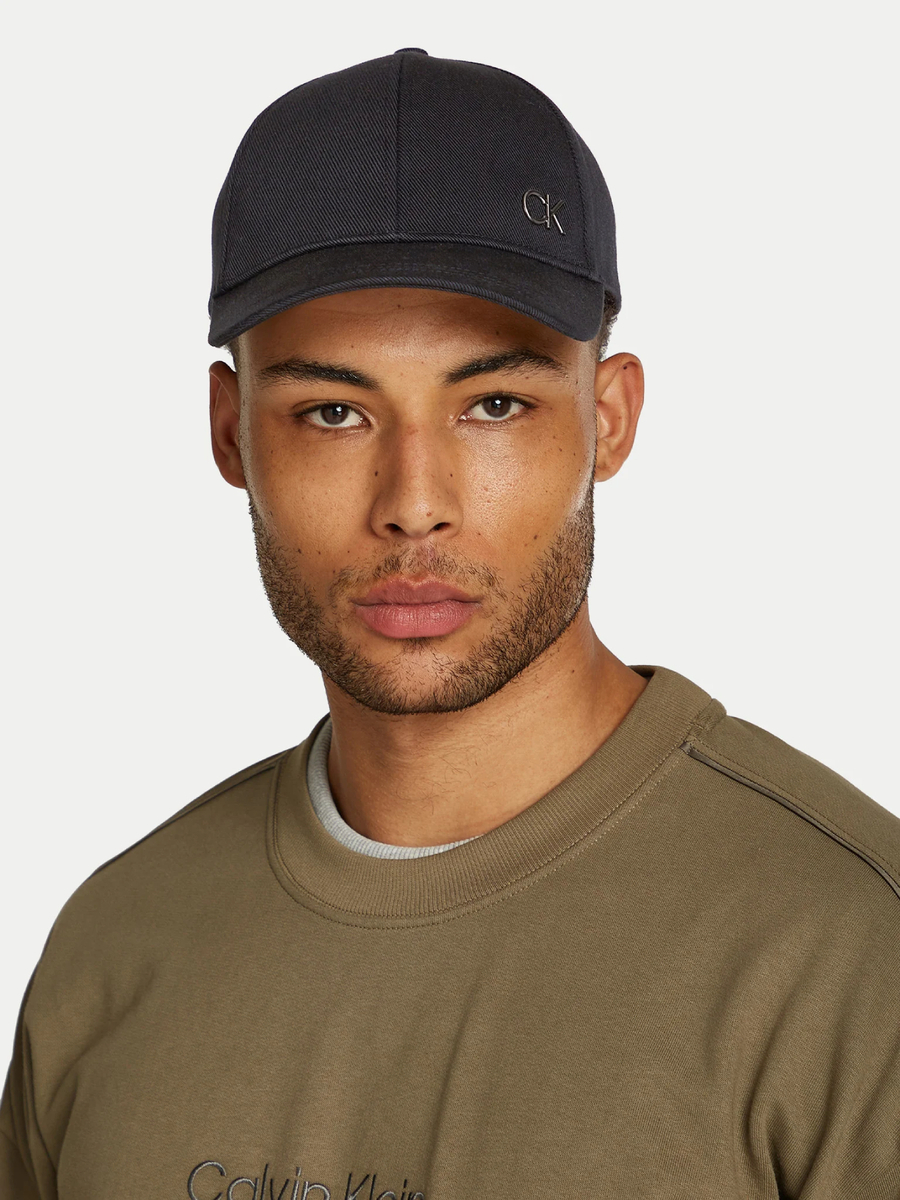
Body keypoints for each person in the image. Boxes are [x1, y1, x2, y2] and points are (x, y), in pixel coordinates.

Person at [2, 46, 898, 1200]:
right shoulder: (112, 955)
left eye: (494, 404)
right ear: (230, 432)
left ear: (610, 419)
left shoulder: (849, 961)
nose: (414, 502)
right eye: (333, 411)